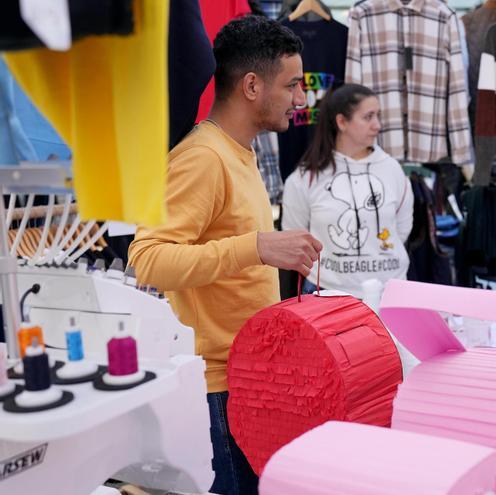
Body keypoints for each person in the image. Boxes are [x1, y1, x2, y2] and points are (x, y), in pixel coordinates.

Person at [128, 16, 322, 495]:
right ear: (252, 85)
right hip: (215, 391)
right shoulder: (203, 157)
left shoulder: (240, 151)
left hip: (247, 381)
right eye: (292, 84)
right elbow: (147, 258)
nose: (302, 99)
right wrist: (256, 246)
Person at [281, 84, 413, 299]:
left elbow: (403, 228)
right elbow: (294, 238)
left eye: (378, 116)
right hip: (328, 296)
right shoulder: (306, 178)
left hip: (390, 294)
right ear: (341, 122)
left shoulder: (392, 169)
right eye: (368, 117)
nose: (377, 125)